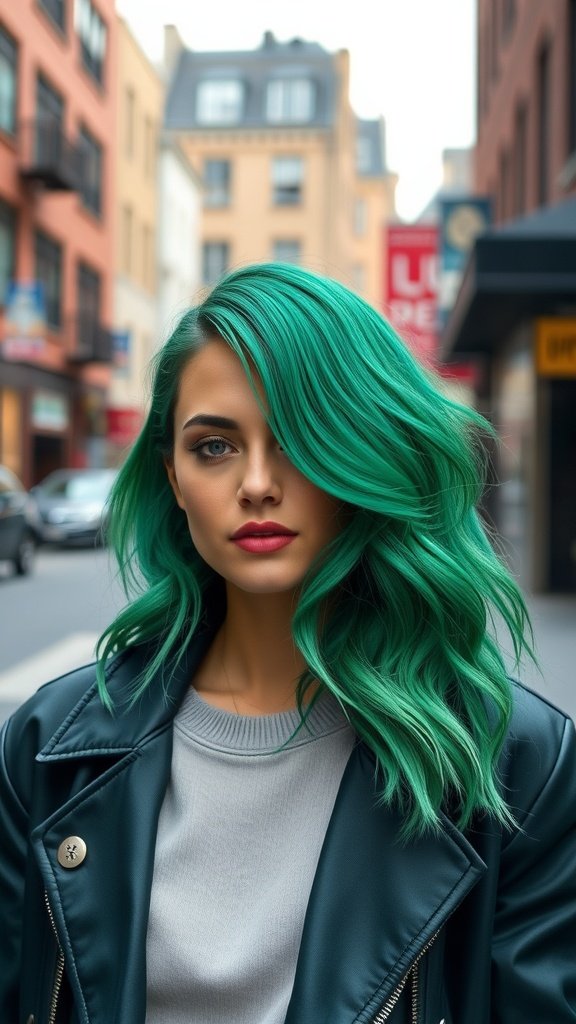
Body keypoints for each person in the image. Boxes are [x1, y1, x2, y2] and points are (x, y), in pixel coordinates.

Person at [1, 262, 574, 1024]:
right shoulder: (47, 750)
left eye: (302, 439)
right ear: (171, 475)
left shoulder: (517, 766)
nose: (258, 483)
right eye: (214, 446)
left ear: (367, 453)